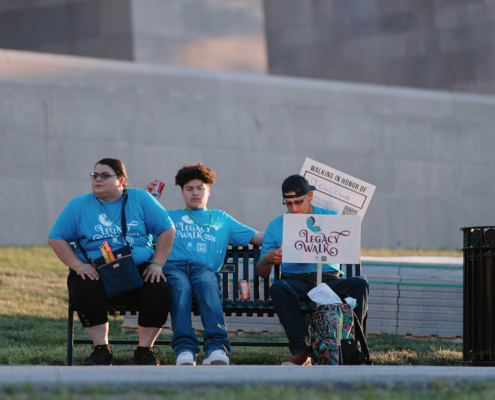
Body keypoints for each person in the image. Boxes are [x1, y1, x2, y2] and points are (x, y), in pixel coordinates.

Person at [48, 158, 175, 366]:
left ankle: (144, 351)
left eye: (105, 176)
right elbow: (55, 237)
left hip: (137, 268)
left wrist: (157, 264)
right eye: (95, 175)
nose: (98, 179)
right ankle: (101, 350)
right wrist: (78, 266)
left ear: (121, 180)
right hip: (98, 270)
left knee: (158, 286)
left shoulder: (140, 198)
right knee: (83, 284)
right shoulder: (78, 205)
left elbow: (167, 229)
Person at [149, 163, 263, 366]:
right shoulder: (169, 216)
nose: (195, 193)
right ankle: (185, 349)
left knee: (208, 284)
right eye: (189, 189)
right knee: (180, 287)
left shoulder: (221, 219)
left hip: (205, 269)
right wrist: (150, 199)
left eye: (200, 188)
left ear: (208, 190)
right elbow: (139, 229)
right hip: (174, 267)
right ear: (182, 193)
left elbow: (257, 237)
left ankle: (216, 348)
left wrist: (290, 232)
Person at [256, 175, 369, 366]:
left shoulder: (331, 218)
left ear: (310, 196)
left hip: (330, 279)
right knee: (278, 287)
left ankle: (353, 348)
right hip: (296, 281)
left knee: (359, 283)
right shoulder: (276, 226)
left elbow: (347, 247)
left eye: (298, 202)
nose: (293, 208)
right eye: (288, 203)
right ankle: (301, 351)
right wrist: (267, 259)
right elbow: (261, 271)